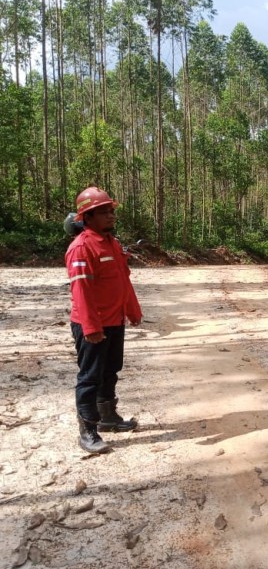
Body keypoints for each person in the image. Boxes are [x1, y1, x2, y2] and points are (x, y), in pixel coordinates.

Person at [66, 186, 143, 453]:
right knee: (90, 377)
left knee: (111, 370)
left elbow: (124, 281)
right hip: (92, 324)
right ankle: (87, 429)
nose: (111, 216)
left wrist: (132, 310)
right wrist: (90, 327)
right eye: (103, 212)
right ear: (87, 217)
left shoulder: (113, 244)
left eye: (111, 211)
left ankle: (108, 417)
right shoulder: (81, 248)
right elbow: (81, 291)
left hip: (113, 321)